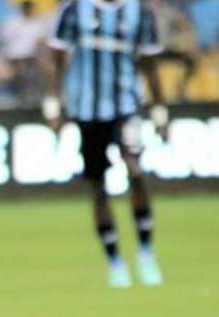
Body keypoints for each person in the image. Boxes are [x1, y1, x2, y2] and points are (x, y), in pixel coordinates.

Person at [46, 0, 167, 287]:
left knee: (134, 170)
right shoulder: (75, 10)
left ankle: (146, 251)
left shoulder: (140, 13)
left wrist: (161, 111)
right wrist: (53, 103)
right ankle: (115, 261)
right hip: (86, 110)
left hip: (126, 106)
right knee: (98, 186)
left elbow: (151, 65)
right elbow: (57, 58)